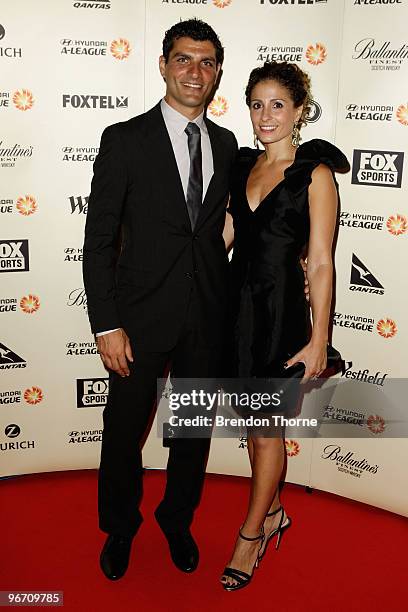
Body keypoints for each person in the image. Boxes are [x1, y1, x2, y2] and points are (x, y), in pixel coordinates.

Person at [83, 19, 237, 580]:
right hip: (138, 319)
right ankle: (120, 527)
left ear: (217, 72)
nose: (194, 72)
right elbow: (99, 239)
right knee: (123, 433)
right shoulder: (124, 139)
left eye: (206, 62)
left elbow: (223, 224)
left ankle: (177, 520)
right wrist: (106, 324)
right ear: (164, 65)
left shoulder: (225, 143)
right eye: (183, 59)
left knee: (191, 434)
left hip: (205, 319)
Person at [220, 61, 349, 591]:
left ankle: (250, 536)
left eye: (278, 104)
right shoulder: (242, 165)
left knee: (267, 431)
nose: (266, 115)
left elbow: (320, 260)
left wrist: (320, 337)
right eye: (257, 104)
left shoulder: (314, 176)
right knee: (253, 431)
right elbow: (226, 234)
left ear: (299, 111)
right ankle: (273, 512)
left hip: (280, 317)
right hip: (234, 311)